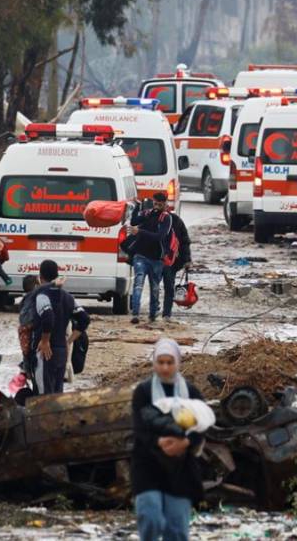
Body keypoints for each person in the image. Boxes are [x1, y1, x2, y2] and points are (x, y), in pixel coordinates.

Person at [132, 339, 205, 541]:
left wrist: (185, 443)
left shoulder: (190, 393)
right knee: (150, 518)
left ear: (178, 363)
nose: (165, 367)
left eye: (169, 362)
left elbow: (201, 426)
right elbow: (140, 428)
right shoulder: (144, 392)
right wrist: (159, 442)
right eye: (161, 362)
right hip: (148, 464)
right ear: (154, 363)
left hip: (180, 469)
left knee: (177, 530)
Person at [28, 260, 89, 395]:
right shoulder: (68, 297)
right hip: (61, 352)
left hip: (45, 352)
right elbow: (84, 319)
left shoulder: (41, 296)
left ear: (40, 277)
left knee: (43, 397)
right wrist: (68, 341)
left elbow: (48, 316)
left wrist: (45, 341)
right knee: (57, 394)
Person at [130, 192, 175, 324]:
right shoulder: (147, 213)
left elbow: (159, 236)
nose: (157, 206)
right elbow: (134, 221)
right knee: (138, 284)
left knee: (154, 288)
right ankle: (135, 314)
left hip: (156, 259)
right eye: (155, 203)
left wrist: (140, 232)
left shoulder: (166, 218)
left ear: (165, 204)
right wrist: (137, 207)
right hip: (140, 255)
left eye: (160, 204)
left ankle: (152, 314)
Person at [161, 212, 193, 321]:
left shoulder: (176, 221)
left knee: (169, 287)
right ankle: (153, 310)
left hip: (172, 261)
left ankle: (166, 313)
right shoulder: (151, 218)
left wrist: (187, 260)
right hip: (155, 260)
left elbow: (184, 242)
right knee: (154, 287)